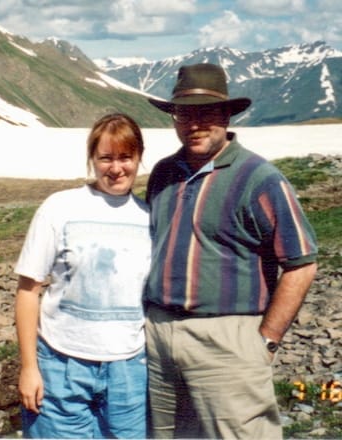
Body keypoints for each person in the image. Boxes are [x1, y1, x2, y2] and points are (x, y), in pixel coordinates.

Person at [144, 63, 318, 439]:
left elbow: (301, 263)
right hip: (158, 337)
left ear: (226, 115)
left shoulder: (260, 178)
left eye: (207, 112)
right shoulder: (163, 174)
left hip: (227, 341)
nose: (194, 124)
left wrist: (267, 340)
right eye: (184, 113)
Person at [14, 113, 151, 438]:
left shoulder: (149, 216)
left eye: (125, 157)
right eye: (106, 158)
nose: (116, 168)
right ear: (92, 159)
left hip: (128, 370)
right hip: (61, 364)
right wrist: (29, 367)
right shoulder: (59, 207)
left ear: (138, 159)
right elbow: (28, 290)